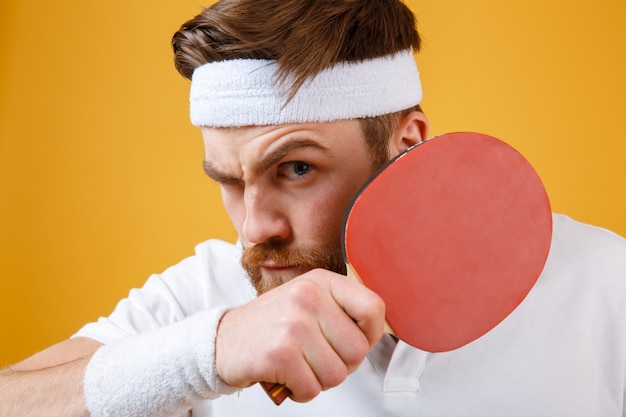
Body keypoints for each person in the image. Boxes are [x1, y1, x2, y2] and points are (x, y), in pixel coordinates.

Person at [1, 0, 626, 415]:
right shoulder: (204, 298)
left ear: (405, 144)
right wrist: (202, 357)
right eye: (228, 179)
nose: (254, 230)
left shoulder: (608, 288)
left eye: (296, 169)